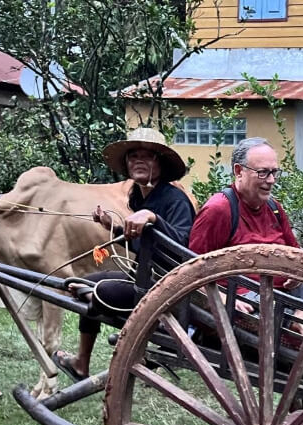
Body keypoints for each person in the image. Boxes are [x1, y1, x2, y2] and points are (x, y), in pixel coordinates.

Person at [52, 127, 196, 381]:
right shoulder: (138, 198)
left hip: (163, 288)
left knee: (97, 292)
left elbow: (183, 251)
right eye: (133, 156)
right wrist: (113, 227)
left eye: (147, 156)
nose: (138, 161)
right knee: (79, 282)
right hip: (140, 278)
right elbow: (144, 244)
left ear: (160, 163)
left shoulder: (175, 201)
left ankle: (139, 336)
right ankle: (81, 363)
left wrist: (154, 219)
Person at [188, 137, 303, 312]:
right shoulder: (220, 209)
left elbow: (296, 254)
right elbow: (191, 272)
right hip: (246, 303)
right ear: (239, 171)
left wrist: (297, 274)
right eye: (263, 172)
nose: (272, 180)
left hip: (285, 295)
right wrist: (223, 299)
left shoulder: (274, 208)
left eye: (274, 172)